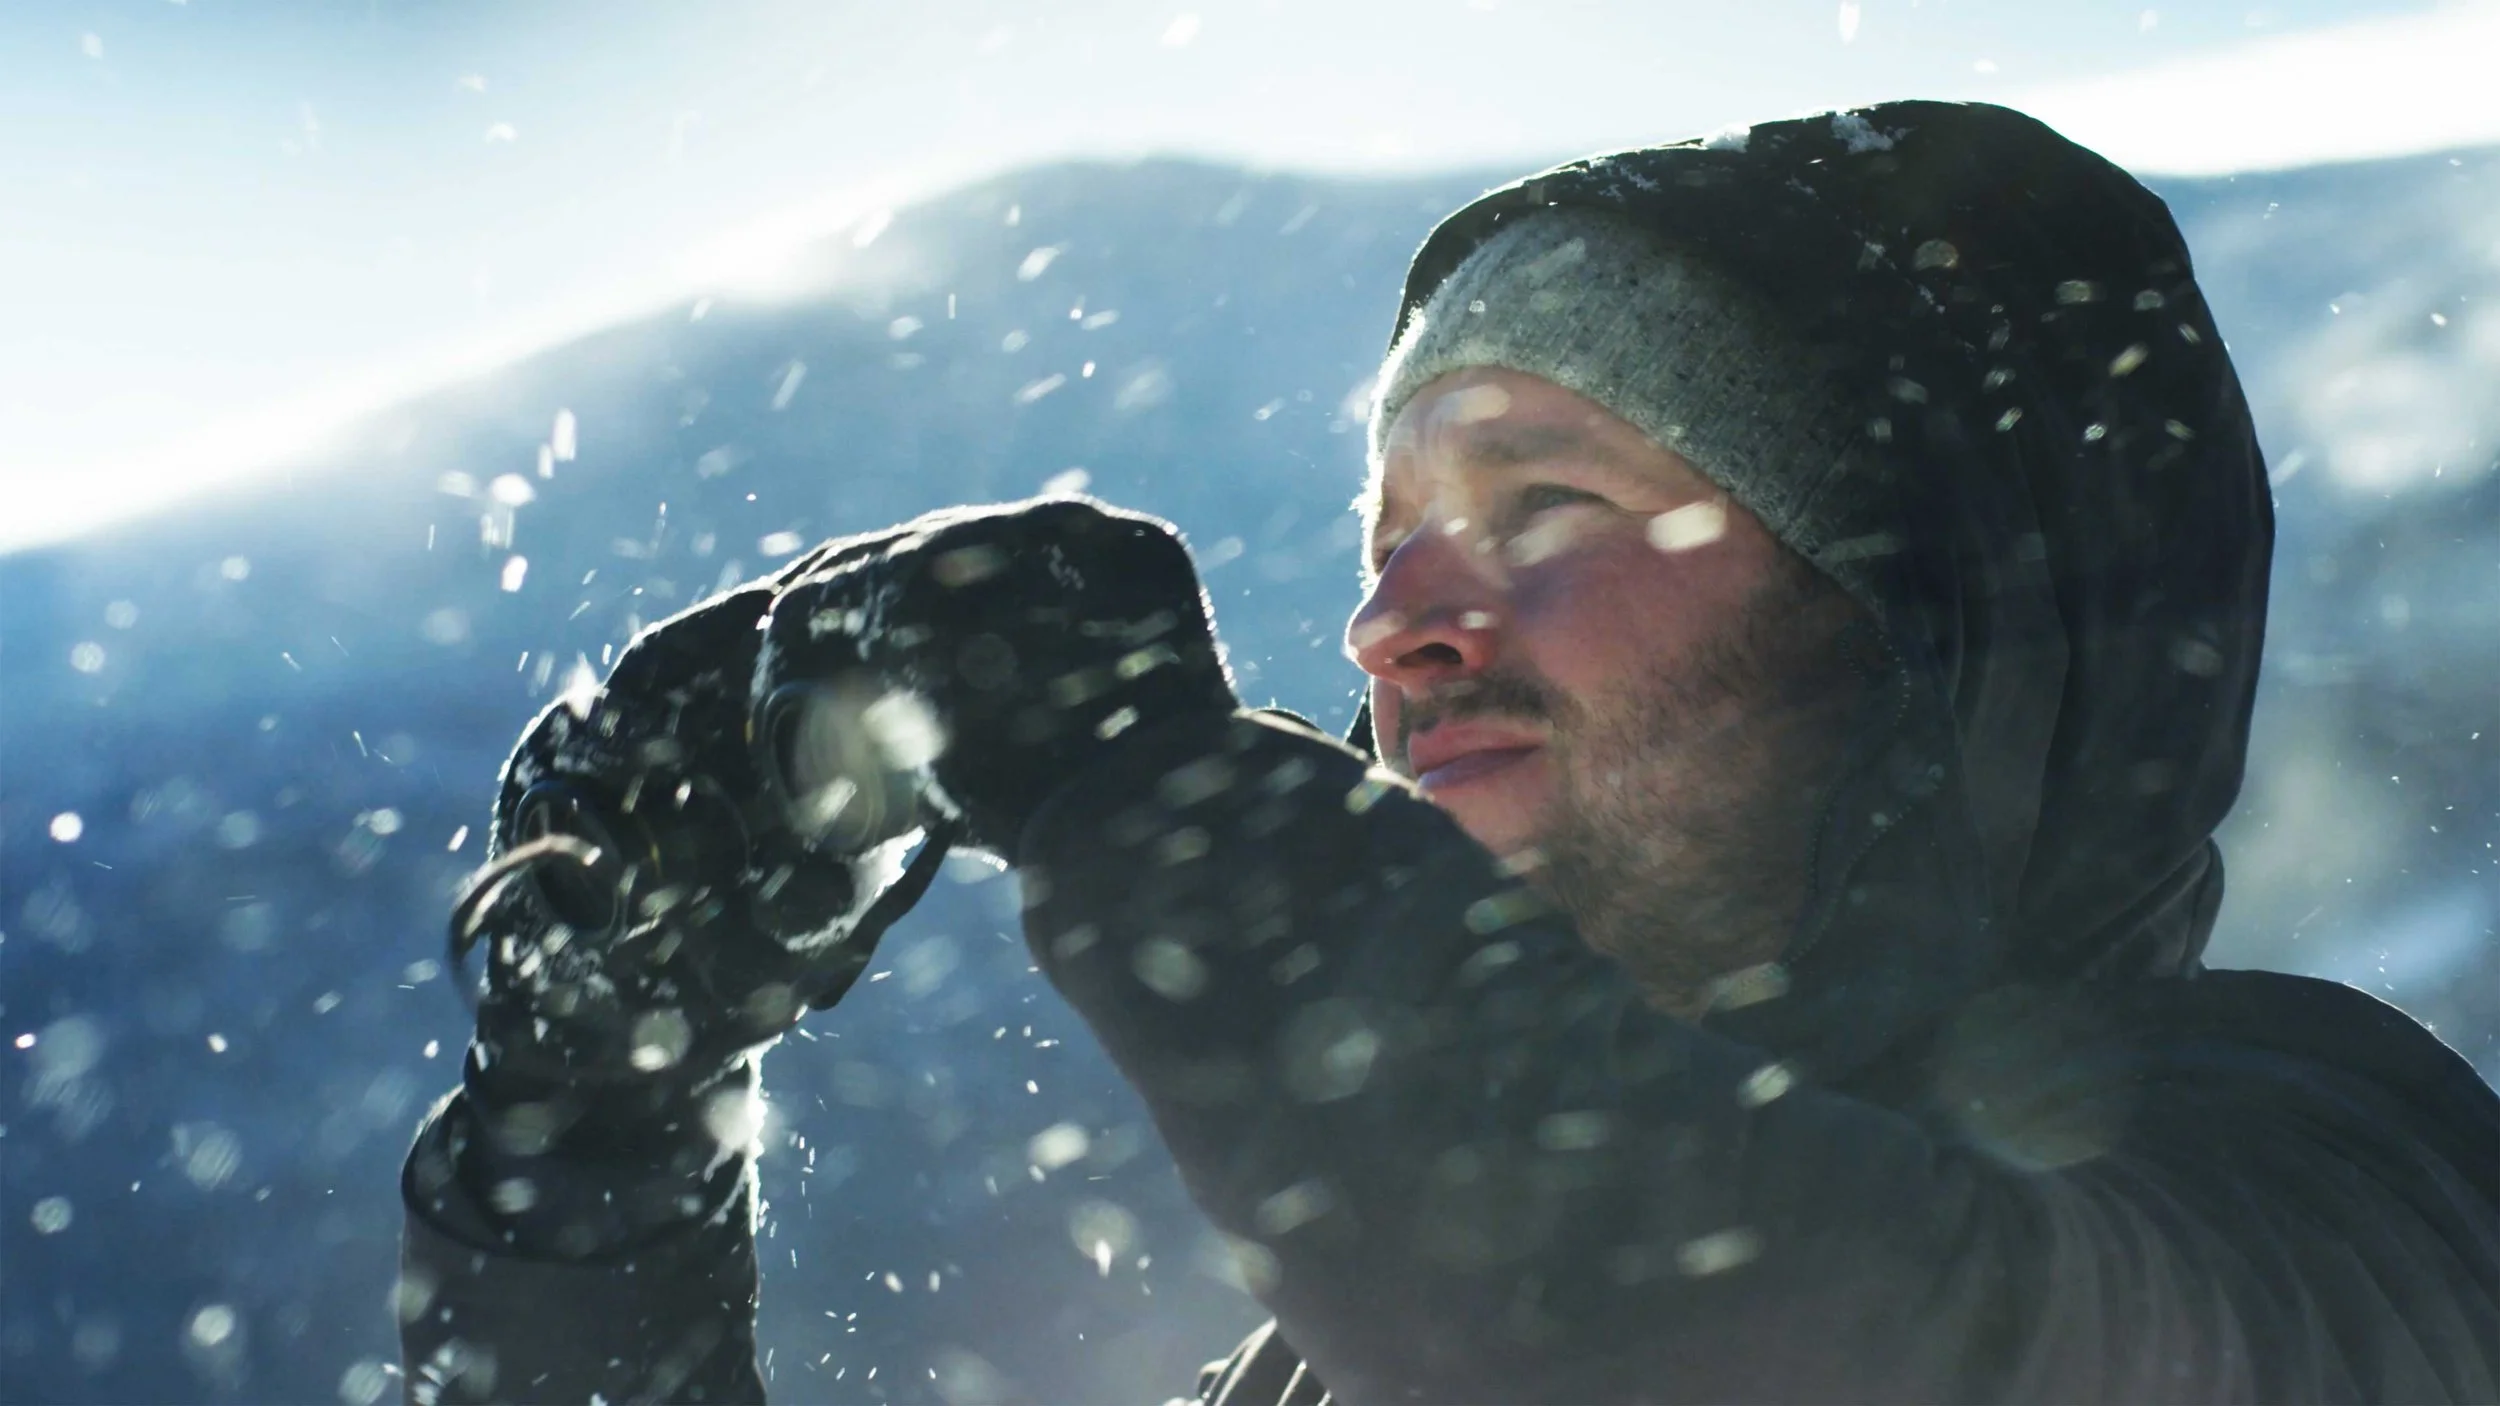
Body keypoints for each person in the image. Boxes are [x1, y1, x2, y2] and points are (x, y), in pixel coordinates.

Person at [398, 101, 2500, 1404]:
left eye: (1544, 505)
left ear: (1920, 624)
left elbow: (1768, 1345)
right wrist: (595, 1145)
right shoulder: (1329, 1367)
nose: (1394, 624)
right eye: (1384, 534)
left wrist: (1140, 792)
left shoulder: (2325, 1208)